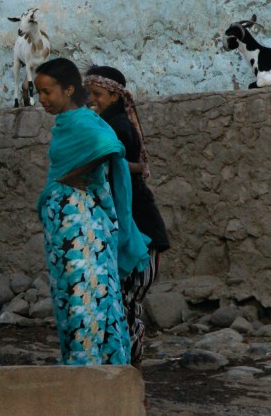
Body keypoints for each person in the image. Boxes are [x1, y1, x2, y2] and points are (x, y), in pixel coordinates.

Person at [33, 57, 150, 366]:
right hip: (68, 226)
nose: (42, 100)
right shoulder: (69, 122)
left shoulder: (83, 121)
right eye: (38, 93)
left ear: (69, 89)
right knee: (72, 297)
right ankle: (87, 370)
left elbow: (110, 146)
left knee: (84, 296)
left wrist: (77, 174)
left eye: (47, 92)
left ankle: (93, 370)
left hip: (80, 226)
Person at [84, 65, 171, 367]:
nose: (92, 99)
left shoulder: (115, 127)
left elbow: (118, 164)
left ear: (113, 94)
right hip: (139, 228)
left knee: (125, 302)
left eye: (97, 94)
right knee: (124, 302)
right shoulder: (112, 124)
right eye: (90, 94)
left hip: (141, 231)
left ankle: (127, 368)